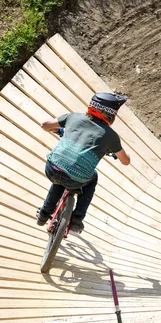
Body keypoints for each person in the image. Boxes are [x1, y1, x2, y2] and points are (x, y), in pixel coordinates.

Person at [36, 93, 131, 233]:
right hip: (77, 178)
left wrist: (61, 130)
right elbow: (125, 161)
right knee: (91, 178)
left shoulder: (73, 117)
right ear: (110, 114)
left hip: (51, 168)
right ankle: (76, 220)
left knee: (60, 176)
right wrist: (120, 153)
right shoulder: (111, 136)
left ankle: (43, 215)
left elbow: (44, 125)